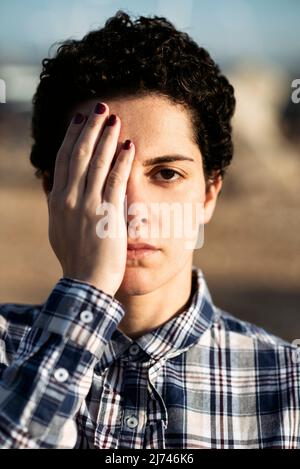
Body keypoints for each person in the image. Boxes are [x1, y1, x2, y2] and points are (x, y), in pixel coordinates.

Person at [0, 10, 299, 449]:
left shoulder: (287, 384)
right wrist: (86, 289)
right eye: (100, 175)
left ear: (209, 194)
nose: (133, 209)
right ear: (53, 190)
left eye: (166, 174)